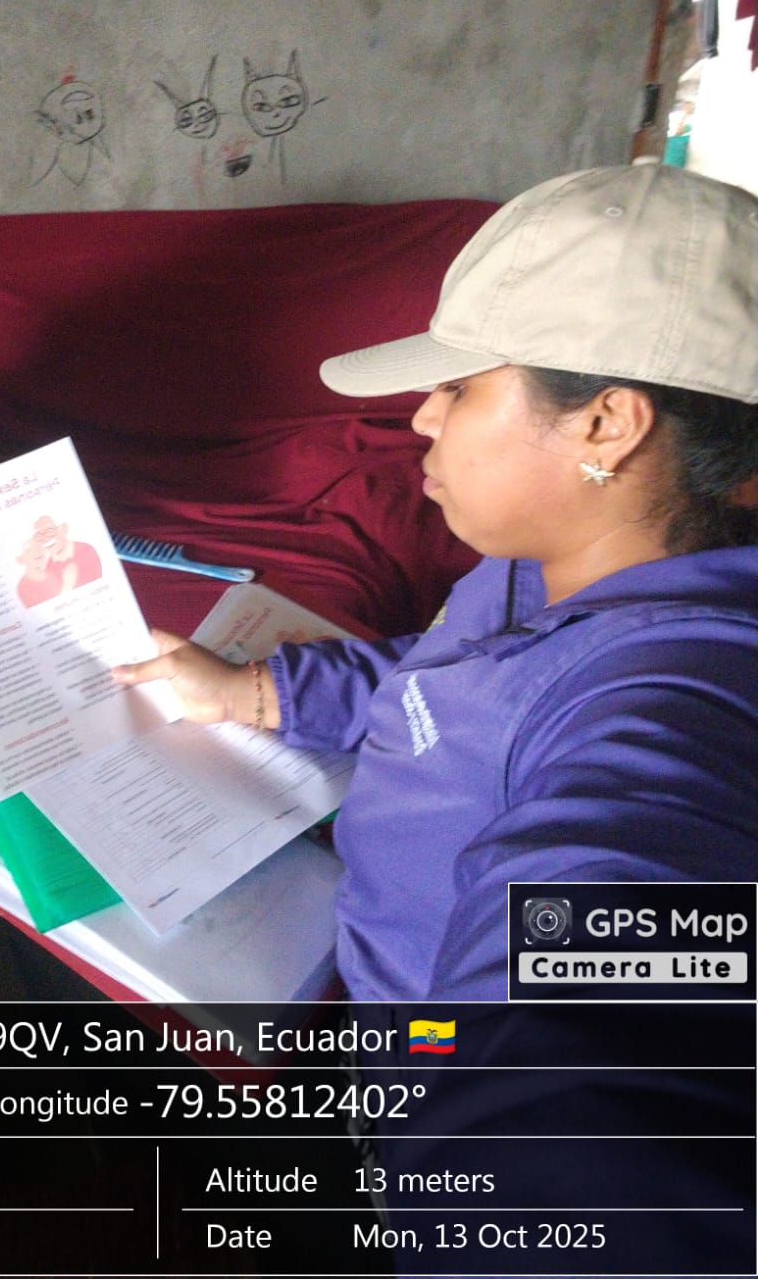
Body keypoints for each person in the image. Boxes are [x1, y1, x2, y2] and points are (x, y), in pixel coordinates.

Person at [115, 163, 758, 1000]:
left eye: (458, 388)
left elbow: (599, 1024)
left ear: (606, 424)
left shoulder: (672, 706)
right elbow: (454, 680)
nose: (422, 416)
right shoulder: (550, 562)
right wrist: (257, 693)